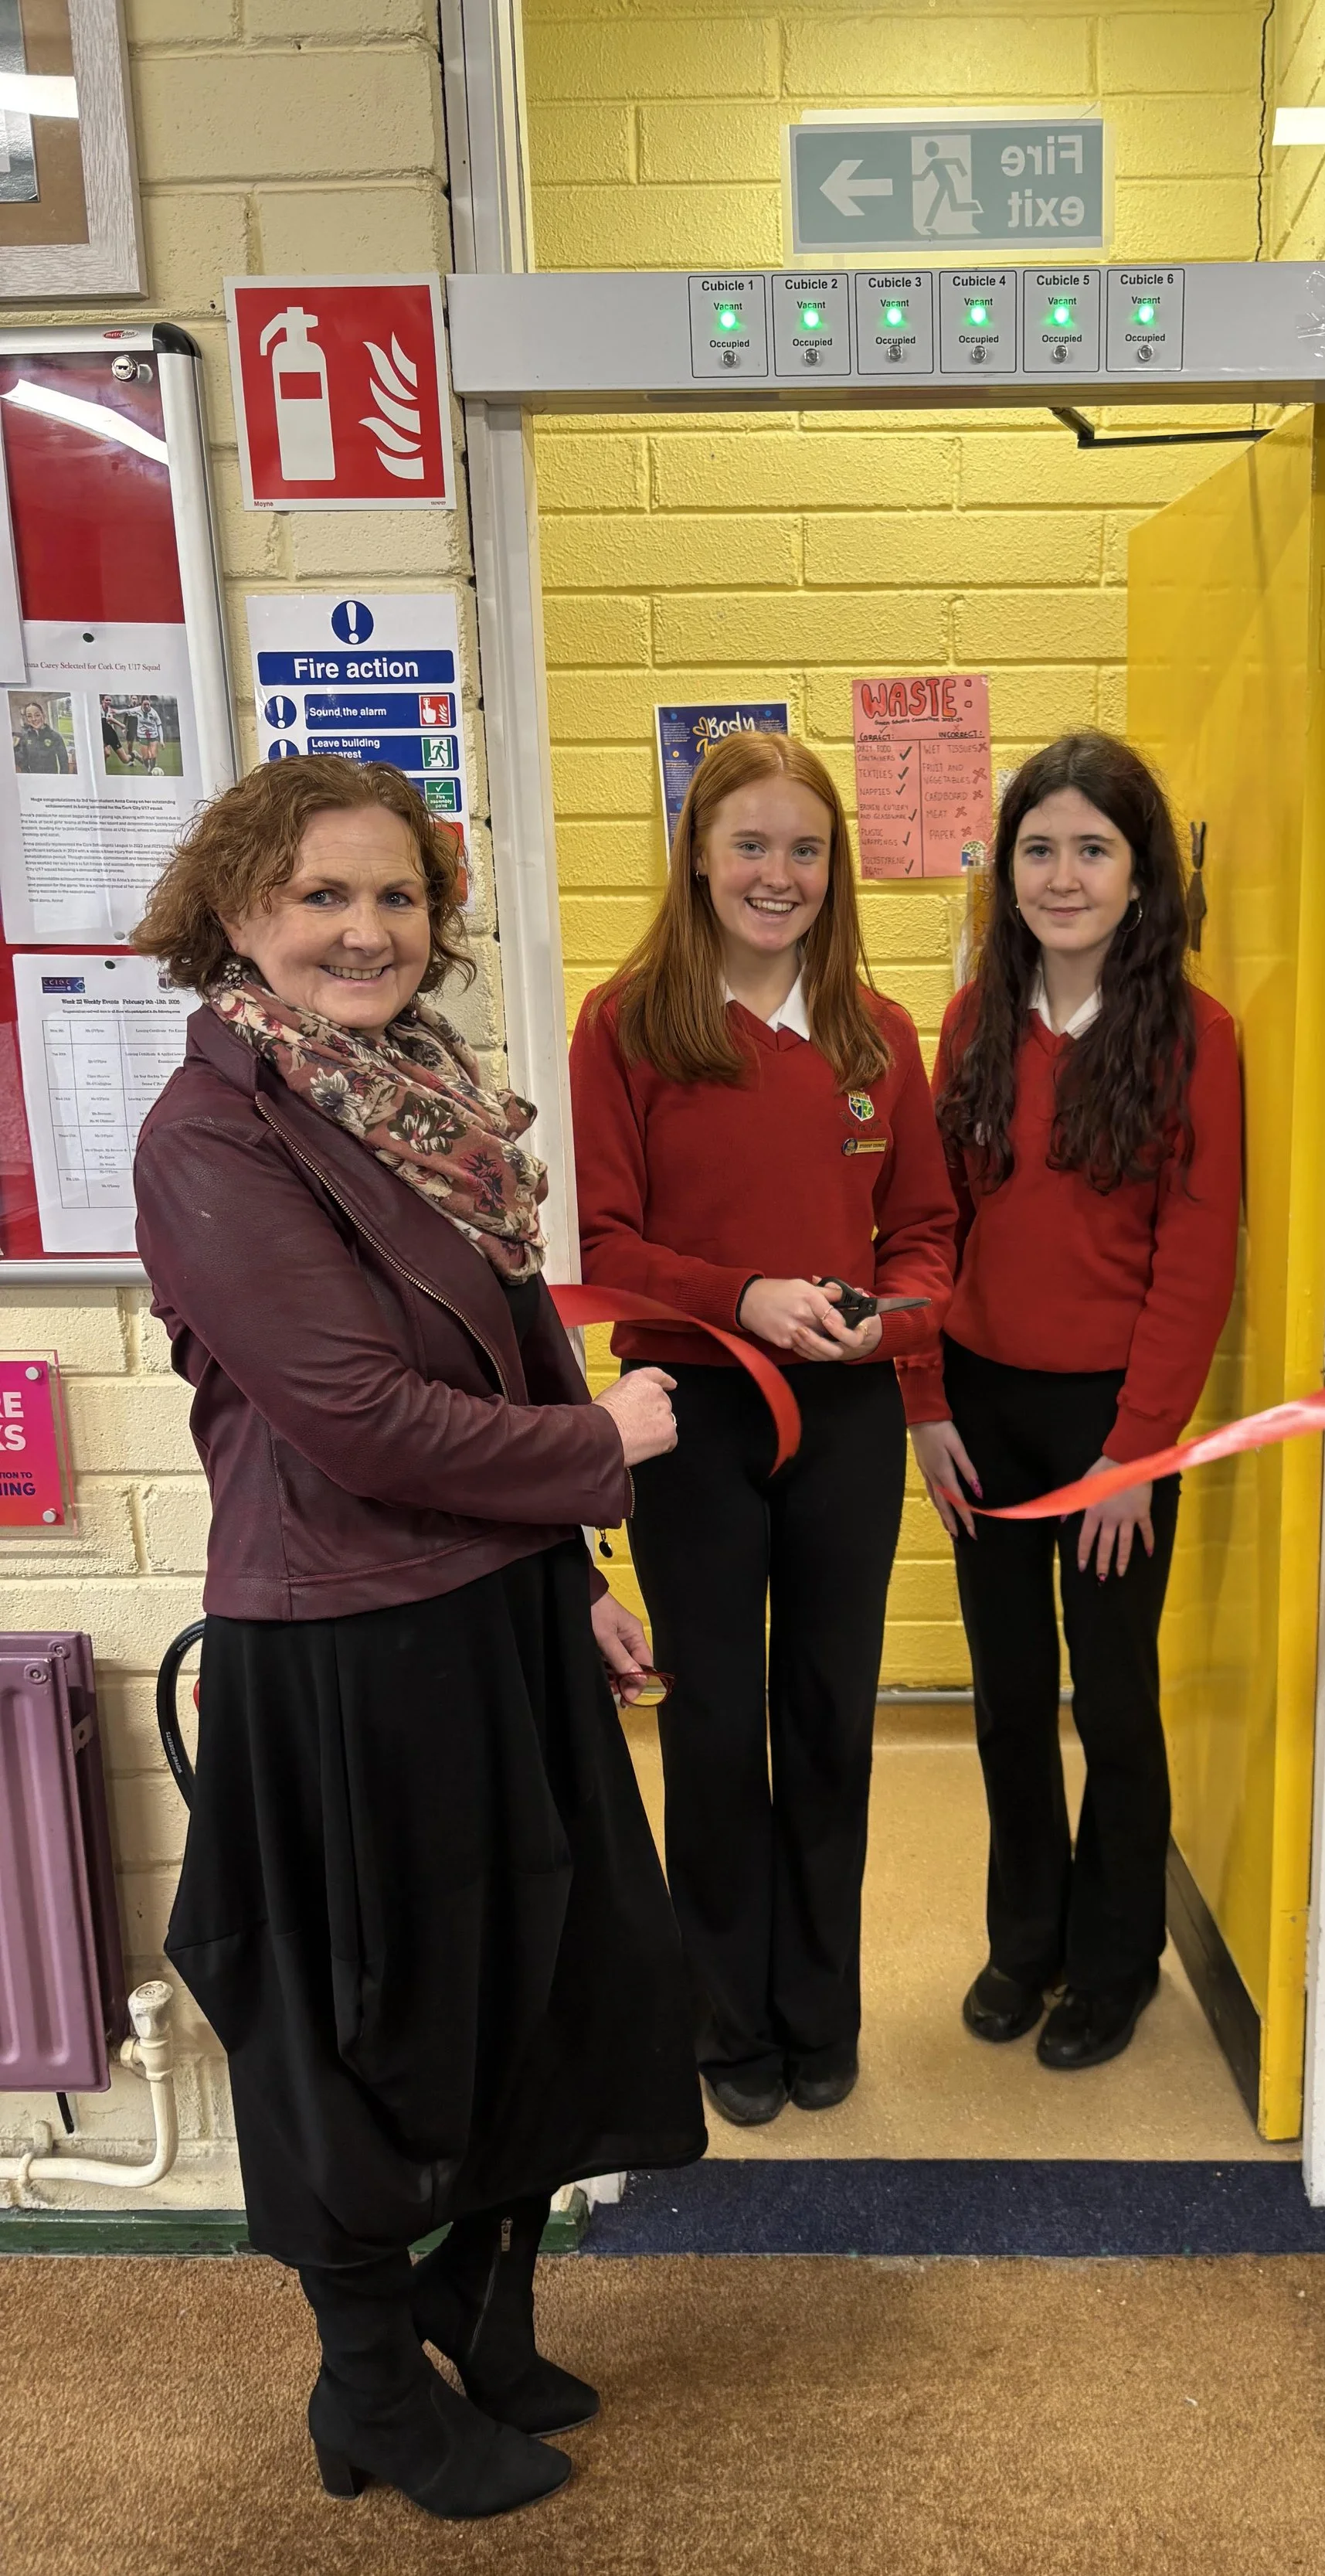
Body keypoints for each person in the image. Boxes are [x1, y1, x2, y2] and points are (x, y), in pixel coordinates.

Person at [131, 754, 705, 2523]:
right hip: (347, 1648)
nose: (365, 930)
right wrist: (602, 1449)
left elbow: (504, 1343)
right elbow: (358, 1414)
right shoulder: (212, 1131)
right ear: (238, 915)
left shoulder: (420, 1092)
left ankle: (481, 2300)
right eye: (321, 897)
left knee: (550, 1990)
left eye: (395, 896)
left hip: (493, 1616)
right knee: (372, 2044)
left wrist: (574, 1574)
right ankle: (371, 2385)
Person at [569, 730, 953, 2129]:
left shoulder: (875, 1033)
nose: (778, 873)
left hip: (840, 1410)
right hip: (693, 1409)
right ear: (699, 855)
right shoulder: (627, 1023)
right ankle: (726, 2017)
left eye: (805, 848)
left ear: (832, 868)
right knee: (720, 1723)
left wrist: (891, 1317)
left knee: (831, 1719)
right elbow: (607, 1239)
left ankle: (818, 2008)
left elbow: (924, 1233)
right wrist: (742, 1294)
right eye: (751, 844)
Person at [902, 733, 1240, 2074]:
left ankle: (1115, 1962)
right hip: (980, 1409)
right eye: (1038, 847)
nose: (1062, 873)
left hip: (1117, 1422)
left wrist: (1135, 1453)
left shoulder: (1197, 1038)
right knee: (1004, 1696)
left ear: (1142, 875)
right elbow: (927, 1226)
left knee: (1112, 1701)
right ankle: (1022, 1939)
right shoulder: (975, 1021)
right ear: (1008, 873)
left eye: (1092, 847)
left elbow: (1196, 1260)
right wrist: (924, 1398)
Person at [14, 697, 68, 773]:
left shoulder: (55, 736)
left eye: (37, 715)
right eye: (29, 716)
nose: (34, 719)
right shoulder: (24, 737)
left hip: (53, 779)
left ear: (43, 715)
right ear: (26, 719)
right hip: (34, 780)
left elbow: (64, 764)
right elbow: (23, 764)